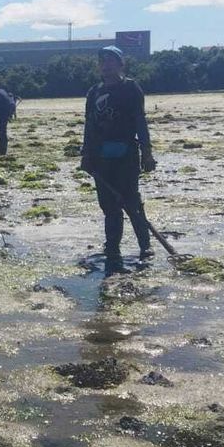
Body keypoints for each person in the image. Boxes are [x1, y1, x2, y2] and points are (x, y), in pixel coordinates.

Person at [80, 45, 157, 277]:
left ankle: (145, 245)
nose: (106, 64)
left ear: (120, 64)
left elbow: (139, 121)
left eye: (111, 60)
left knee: (131, 201)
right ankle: (112, 247)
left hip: (126, 154)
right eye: (102, 60)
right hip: (101, 157)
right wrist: (86, 154)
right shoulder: (93, 93)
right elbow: (89, 125)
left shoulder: (131, 88)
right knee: (109, 206)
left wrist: (147, 151)